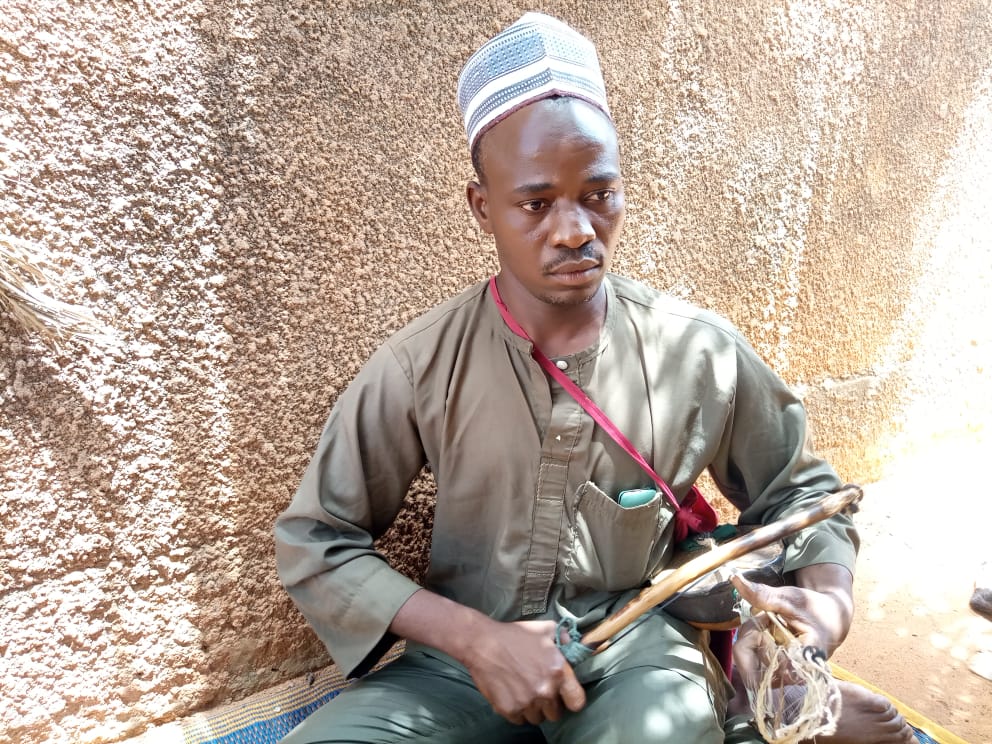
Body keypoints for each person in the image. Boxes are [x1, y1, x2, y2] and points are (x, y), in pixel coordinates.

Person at [275, 13, 912, 743]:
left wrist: (826, 608)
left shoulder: (698, 352)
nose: (576, 229)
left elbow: (807, 498)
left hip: (639, 660)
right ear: (483, 208)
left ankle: (735, 715)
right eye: (537, 203)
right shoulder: (420, 364)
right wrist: (478, 642)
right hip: (456, 667)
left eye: (599, 194)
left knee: (660, 732)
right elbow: (315, 539)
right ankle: (754, 732)